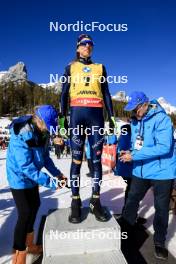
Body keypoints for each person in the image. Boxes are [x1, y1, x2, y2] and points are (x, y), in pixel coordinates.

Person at [60, 34, 116, 223]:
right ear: (78, 47)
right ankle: (75, 202)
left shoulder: (100, 67)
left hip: (96, 117)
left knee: (97, 160)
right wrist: (62, 117)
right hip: (77, 115)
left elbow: (107, 93)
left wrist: (112, 116)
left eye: (91, 44)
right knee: (76, 161)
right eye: (84, 44)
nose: (88, 46)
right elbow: (64, 93)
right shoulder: (70, 66)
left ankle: (95, 201)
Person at [6, 105, 67, 264]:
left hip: (33, 177)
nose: (49, 129)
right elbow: (25, 166)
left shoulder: (43, 134)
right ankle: (18, 257)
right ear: (39, 121)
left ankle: (30, 244)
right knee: (25, 212)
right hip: (19, 178)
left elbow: (45, 158)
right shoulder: (21, 134)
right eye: (47, 125)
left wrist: (57, 174)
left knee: (35, 205)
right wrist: (50, 182)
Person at [119, 91, 176, 260]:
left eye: (136, 109)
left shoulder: (162, 119)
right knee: (131, 201)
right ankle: (125, 233)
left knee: (161, 208)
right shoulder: (136, 121)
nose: (134, 113)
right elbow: (138, 144)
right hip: (140, 170)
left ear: (145, 105)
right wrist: (130, 151)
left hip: (161, 172)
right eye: (132, 110)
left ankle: (159, 242)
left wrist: (134, 155)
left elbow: (163, 147)